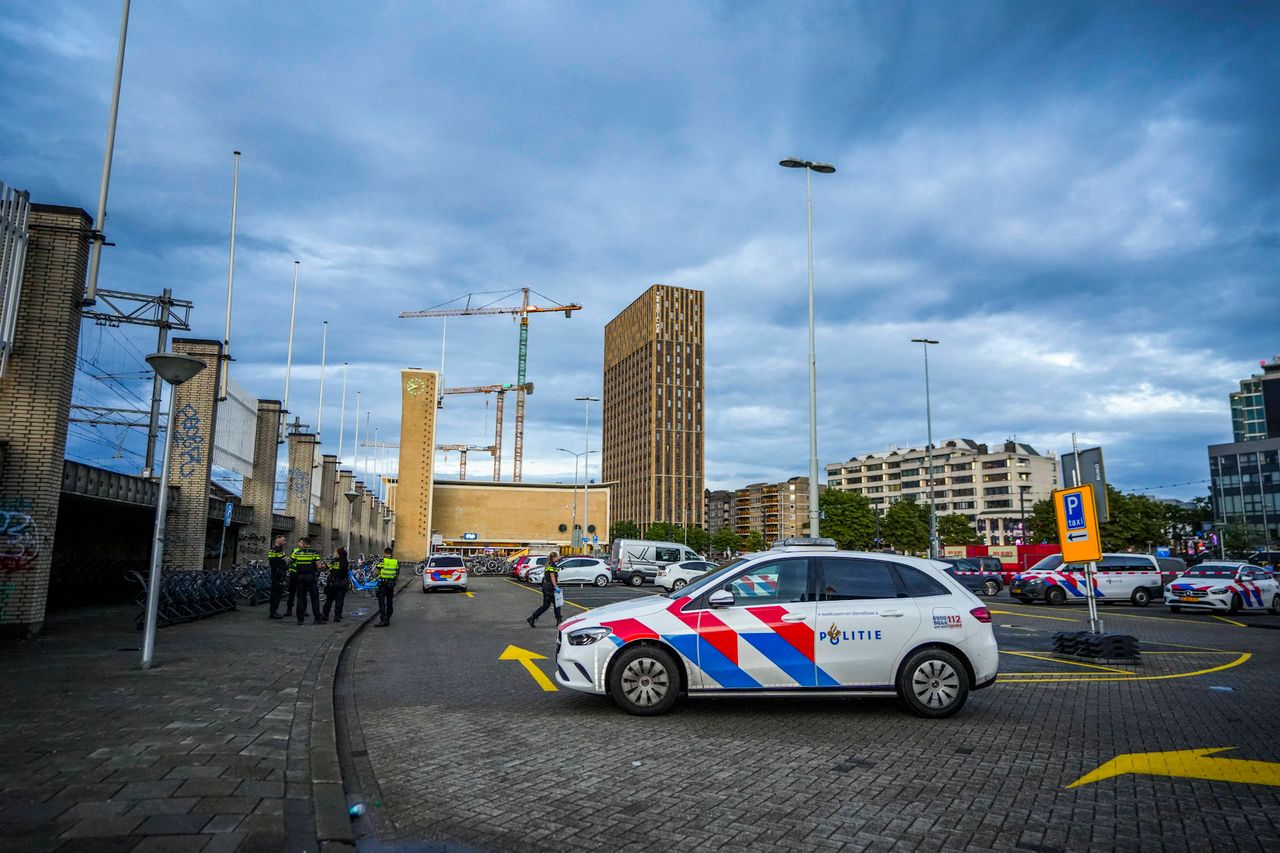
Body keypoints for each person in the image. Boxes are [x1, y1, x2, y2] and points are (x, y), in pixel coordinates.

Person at [290, 536, 324, 625]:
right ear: (309, 544)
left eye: (301, 543)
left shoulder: (297, 553)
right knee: (314, 598)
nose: (300, 544)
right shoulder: (314, 553)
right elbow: (318, 566)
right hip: (311, 577)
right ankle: (317, 619)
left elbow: (290, 561)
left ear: (304, 544)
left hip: (300, 577)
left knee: (300, 598)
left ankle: (300, 620)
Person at [526, 553, 562, 627]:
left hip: (546, 586)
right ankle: (559, 620)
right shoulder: (552, 565)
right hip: (550, 587)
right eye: (557, 556)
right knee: (557, 604)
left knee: (546, 605)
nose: (558, 557)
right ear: (554, 558)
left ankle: (532, 618)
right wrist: (556, 587)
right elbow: (552, 577)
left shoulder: (548, 564)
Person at [320, 547, 350, 623]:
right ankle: (337, 616)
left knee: (329, 600)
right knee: (339, 601)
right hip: (342, 583)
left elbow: (325, 566)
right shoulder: (345, 562)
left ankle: (325, 615)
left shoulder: (334, 561)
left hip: (332, 583)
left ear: (339, 554)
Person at [375, 547, 399, 627]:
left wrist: (378, 575)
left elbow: (377, 572)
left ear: (385, 553)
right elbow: (397, 572)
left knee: (382, 602)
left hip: (382, 584)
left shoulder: (382, 561)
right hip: (391, 584)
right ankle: (388, 617)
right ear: (391, 553)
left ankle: (383, 619)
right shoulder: (395, 562)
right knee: (389, 601)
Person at [267, 535, 289, 620]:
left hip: (276, 573)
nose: (284, 542)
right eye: (283, 540)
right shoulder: (277, 550)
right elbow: (286, 560)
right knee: (276, 593)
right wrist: (286, 562)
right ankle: (273, 612)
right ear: (278, 539)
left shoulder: (273, 550)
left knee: (276, 593)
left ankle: (273, 611)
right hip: (278, 574)